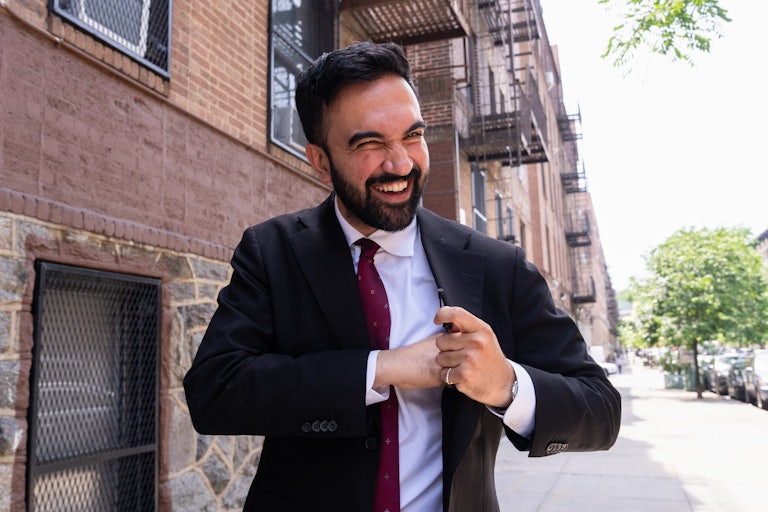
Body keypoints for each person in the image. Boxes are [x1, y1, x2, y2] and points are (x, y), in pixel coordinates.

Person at [183, 41, 621, 512]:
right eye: (369, 144)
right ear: (319, 159)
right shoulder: (271, 251)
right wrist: (382, 368)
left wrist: (506, 384)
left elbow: (600, 410)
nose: (401, 164)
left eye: (413, 135)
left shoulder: (497, 267)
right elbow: (215, 391)